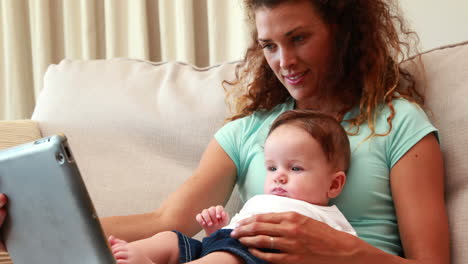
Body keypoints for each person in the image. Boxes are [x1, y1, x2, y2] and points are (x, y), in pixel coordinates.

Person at [0, 0, 450, 263]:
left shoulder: (399, 123)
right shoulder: (249, 130)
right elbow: (164, 222)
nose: (284, 62)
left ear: (344, 32)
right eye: (269, 45)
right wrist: (21, 227)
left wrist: (336, 249)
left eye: (299, 39)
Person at [108, 110, 357, 264]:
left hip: (253, 257)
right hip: (222, 248)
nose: (279, 177)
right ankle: (105, 257)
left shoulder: (331, 220)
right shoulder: (261, 201)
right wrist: (215, 231)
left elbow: (345, 255)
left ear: (334, 184)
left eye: (295, 168)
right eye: (271, 168)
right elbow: (224, 240)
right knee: (169, 240)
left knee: (226, 259)